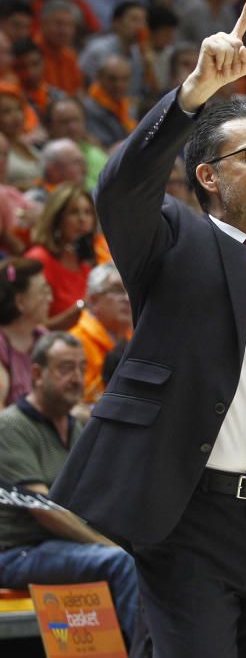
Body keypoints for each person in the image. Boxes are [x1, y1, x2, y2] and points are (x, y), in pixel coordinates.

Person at [51, 0, 246, 658]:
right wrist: (196, 93)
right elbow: (119, 188)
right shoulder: (173, 242)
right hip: (194, 520)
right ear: (208, 176)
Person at [0, 332, 139, 645]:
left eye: (81, 368)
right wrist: (108, 545)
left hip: (64, 546)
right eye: (65, 368)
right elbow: (45, 511)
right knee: (121, 561)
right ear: (37, 373)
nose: (76, 378)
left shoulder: (78, 427)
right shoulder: (10, 427)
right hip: (19, 551)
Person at [25, 183, 97, 329]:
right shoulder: (38, 259)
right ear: (56, 219)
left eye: (88, 212)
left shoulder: (88, 262)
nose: (82, 219)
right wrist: (80, 307)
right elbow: (33, 328)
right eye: (74, 212)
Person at [69, 262, 132, 404]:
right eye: (117, 290)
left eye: (129, 290)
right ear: (93, 300)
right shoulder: (75, 343)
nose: (127, 299)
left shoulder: (135, 340)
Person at [0, 258, 51, 407]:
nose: (50, 299)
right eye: (43, 292)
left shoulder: (43, 336)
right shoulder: (2, 344)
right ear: (20, 301)